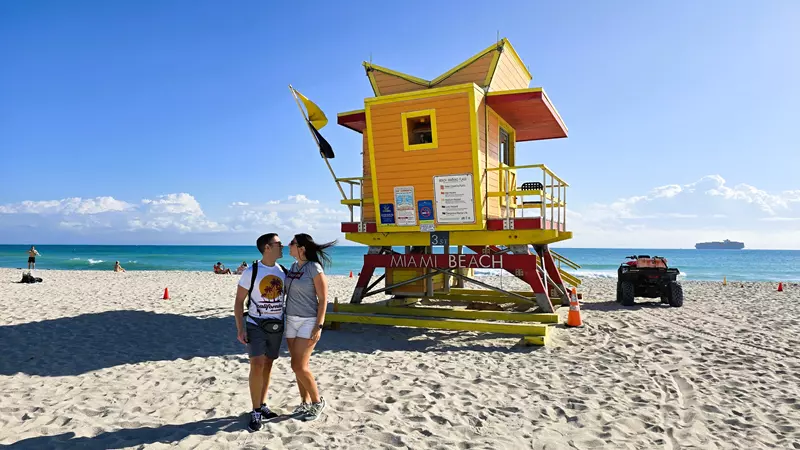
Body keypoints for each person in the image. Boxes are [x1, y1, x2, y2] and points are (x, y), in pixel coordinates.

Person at [234, 233, 287, 432]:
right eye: (279, 244)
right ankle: (255, 410)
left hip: (276, 325)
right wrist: (240, 328)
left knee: (268, 365)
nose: (282, 246)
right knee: (256, 364)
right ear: (267, 247)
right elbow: (239, 302)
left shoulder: (283, 271)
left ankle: (262, 404)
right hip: (256, 324)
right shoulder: (251, 271)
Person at [284, 233, 336, 421]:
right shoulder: (293, 267)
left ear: (302, 248)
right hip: (290, 320)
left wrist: (319, 325)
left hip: (308, 320)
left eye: (292, 243)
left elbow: (323, 299)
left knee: (298, 365)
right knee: (298, 366)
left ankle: (317, 402)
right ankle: (304, 403)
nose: (288, 245)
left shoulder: (314, 268)